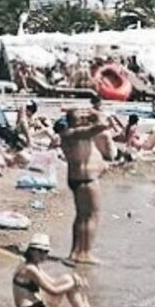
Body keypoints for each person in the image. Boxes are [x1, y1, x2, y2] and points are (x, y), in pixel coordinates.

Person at [11, 233, 106, 307]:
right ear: (31, 251)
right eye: (39, 251)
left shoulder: (33, 265)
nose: (43, 255)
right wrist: (73, 283)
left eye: (45, 252)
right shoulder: (29, 269)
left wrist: (73, 278)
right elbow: (54, 291)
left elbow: (53, 282)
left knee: (67, 278)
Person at [55, 110, 108, 266]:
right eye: (81, 117)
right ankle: (85, 253)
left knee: (82, 216)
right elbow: (102, 125)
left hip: (80, 179)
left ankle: (76, 252)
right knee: (92, 216)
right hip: (85, 179)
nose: (85, 118)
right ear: (73, 120)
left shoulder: (72, 134)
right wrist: (96, 114)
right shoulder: (74, 133)